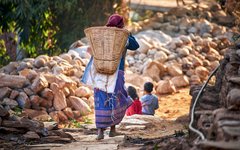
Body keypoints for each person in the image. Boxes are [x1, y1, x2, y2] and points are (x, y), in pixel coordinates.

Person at [81, 14, 139, 140]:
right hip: (116, 73)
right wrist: (128, 33)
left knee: (101, 101)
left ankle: (100, 132)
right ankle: (112, 129)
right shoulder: (122, 36)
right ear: (121, 24)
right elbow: (135, 46)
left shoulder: (101, 33)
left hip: (99, 72)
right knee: (117, 99)